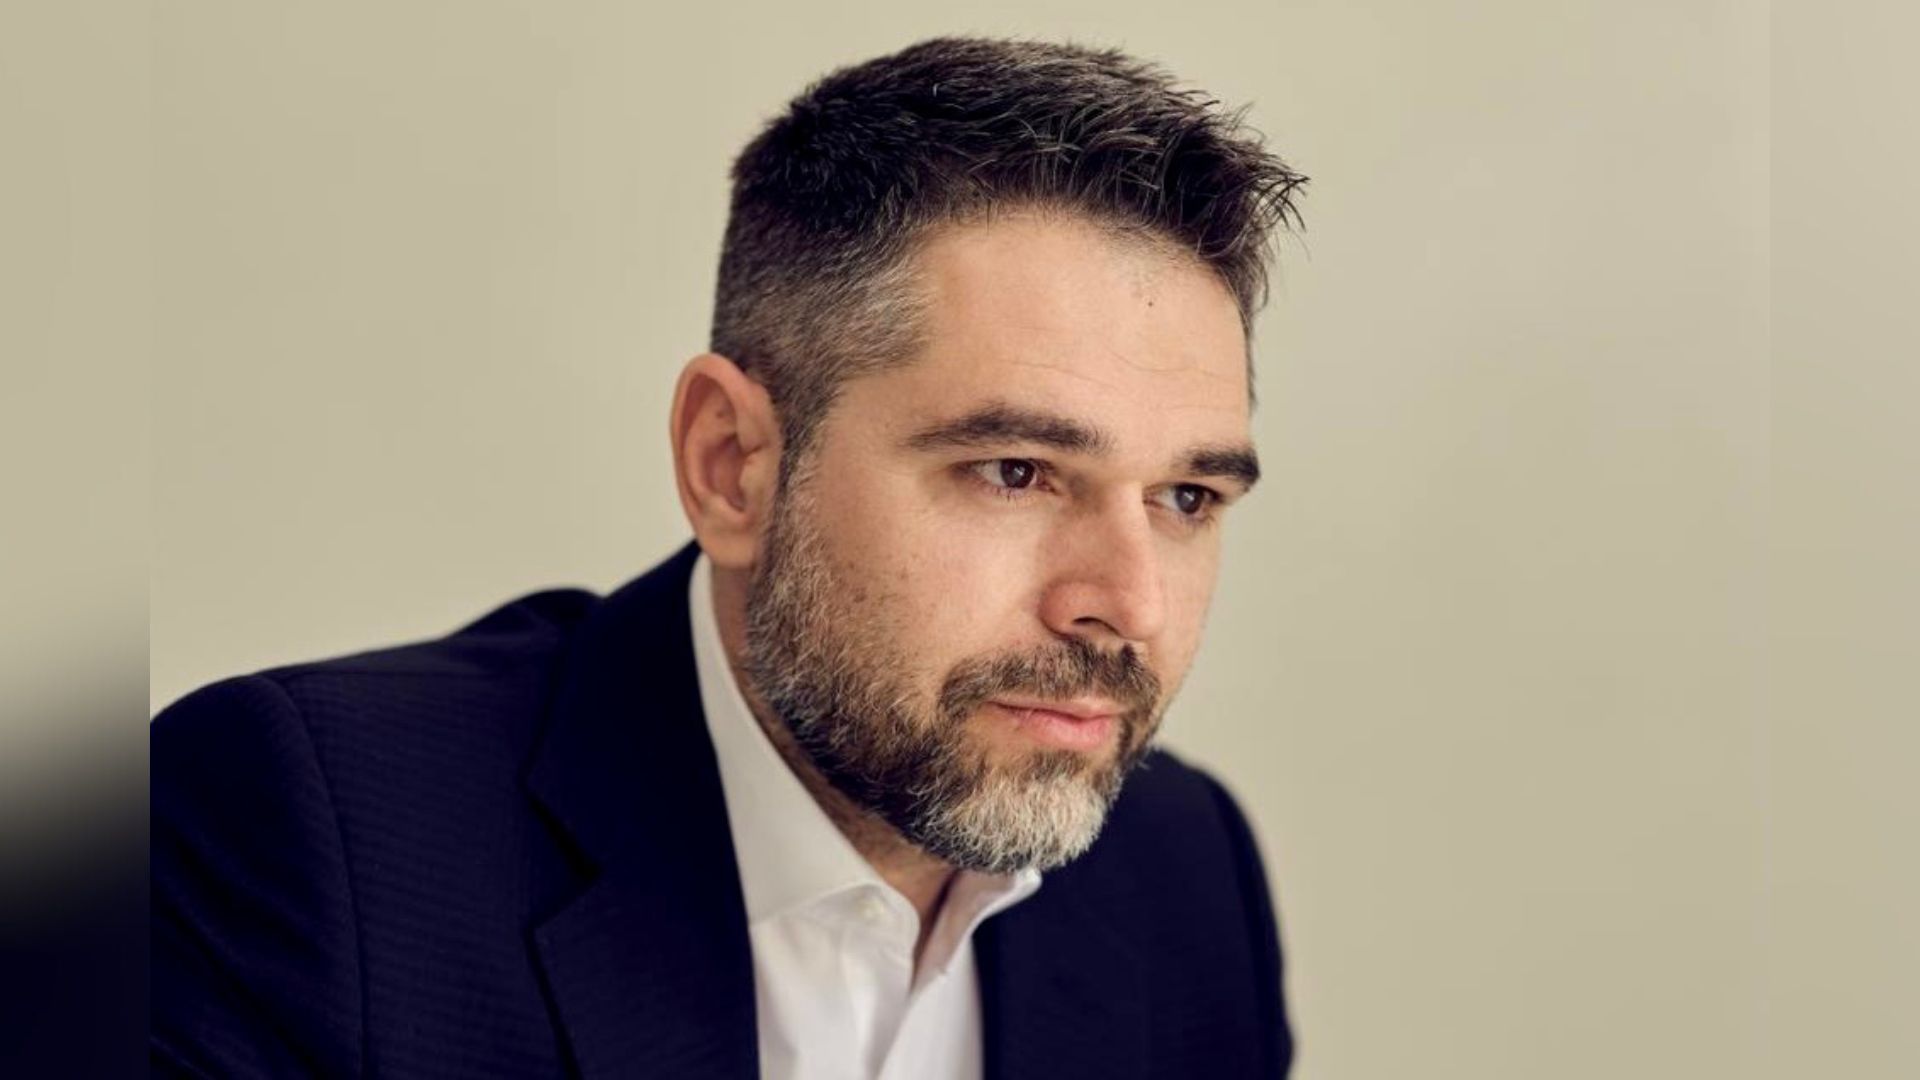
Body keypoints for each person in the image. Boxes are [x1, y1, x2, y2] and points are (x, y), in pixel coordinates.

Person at [152, 36, 1306, 1079]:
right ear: (733, 465)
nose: (1127, 605)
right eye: (1015, 471)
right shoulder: (309, 836)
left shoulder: (1183, 877)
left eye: (1187, 497)